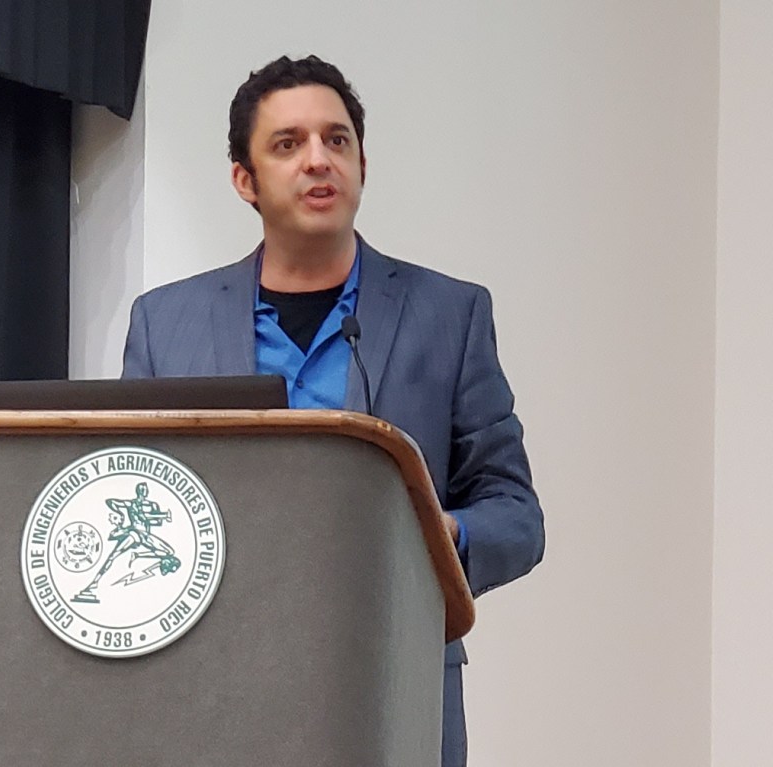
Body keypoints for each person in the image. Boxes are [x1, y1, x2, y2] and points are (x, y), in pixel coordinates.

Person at [120, 54, 545, 767]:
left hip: (392, 683)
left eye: (337, 139)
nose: (319, 160)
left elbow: (517, 513)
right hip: (209, 688)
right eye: (288, 144)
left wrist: (441, 538)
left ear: (363, 165)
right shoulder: (168, 323)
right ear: (244, 180)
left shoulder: (450, 314)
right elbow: (134, 487)